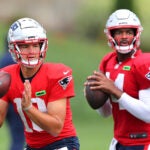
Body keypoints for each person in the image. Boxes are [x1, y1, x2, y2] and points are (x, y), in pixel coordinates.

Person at [0, 17, 80, 150]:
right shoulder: (6, 76)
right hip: (32, 146)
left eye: (35, 45)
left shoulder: (57, 74)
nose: (31, 51)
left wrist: (29, 108)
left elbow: (55, 128)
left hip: (61, 143)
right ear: (14, 48)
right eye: (25, 46)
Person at [84, 9, 150, 150]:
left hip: (144, 142)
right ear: (111, 35)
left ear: (136, 34)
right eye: (119, 32)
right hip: (119, 141)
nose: (124, 36)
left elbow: (148, 114)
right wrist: (94, 94)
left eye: (129, 32)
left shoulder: (144, 63)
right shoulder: (108, 61)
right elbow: (106, 113)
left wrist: (115, 91)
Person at [0, 37, 25, 150]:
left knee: (15, 136)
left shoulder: (2, 60)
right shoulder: (18, 60)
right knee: (19, 138)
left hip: (2, 102)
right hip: (16, 102)